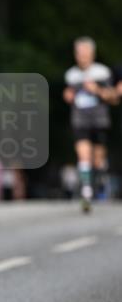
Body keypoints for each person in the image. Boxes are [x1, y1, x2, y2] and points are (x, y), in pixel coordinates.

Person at [63, 37, 114, 211]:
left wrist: (97, 90)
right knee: (83, 155)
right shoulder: (71, 74)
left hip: (99, 120)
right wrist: (68, 95)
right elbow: (70, 94)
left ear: (92, 54)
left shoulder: (102, 72)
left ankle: (99, 179)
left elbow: (112, 97)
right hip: (80, 119)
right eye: (79, 53)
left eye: (85, 53)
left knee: (98, 160)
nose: (82, 56)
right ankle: (86, 192)